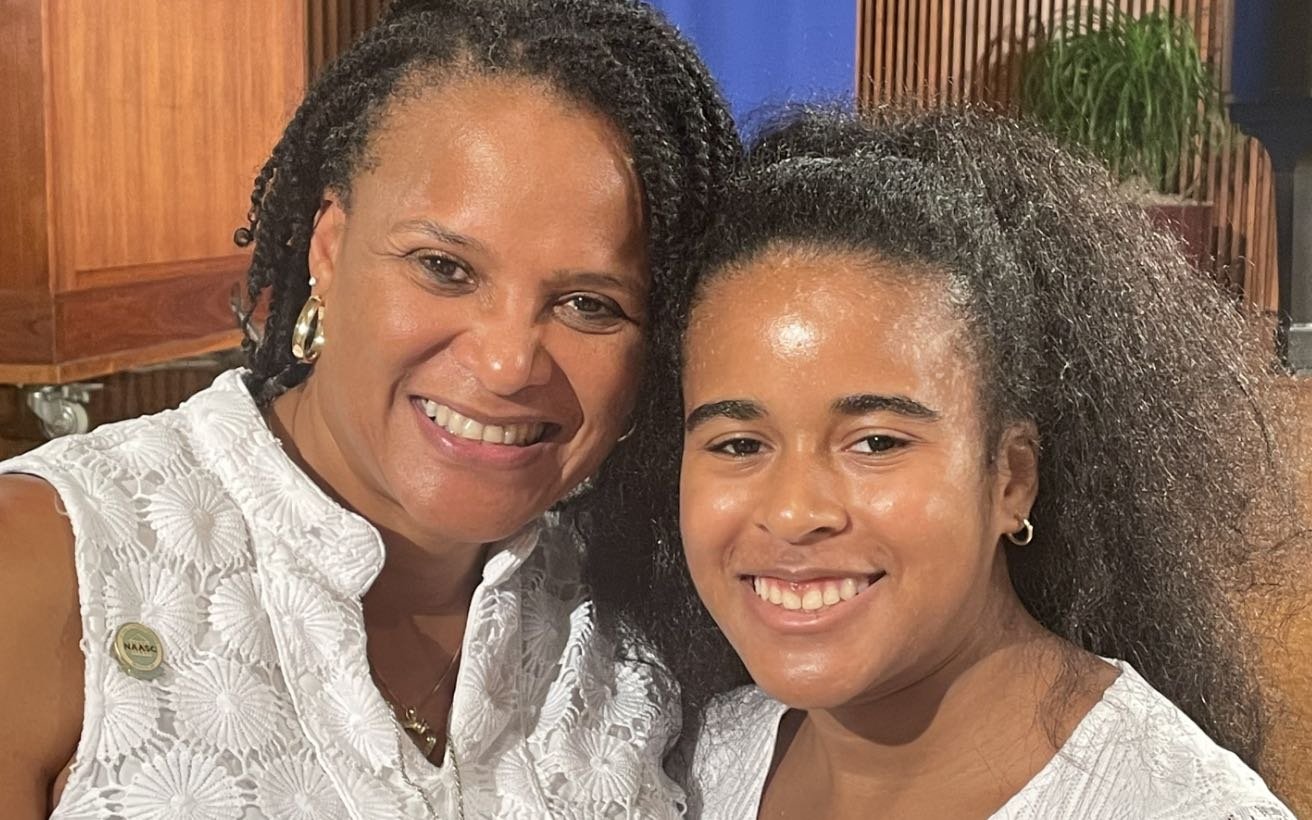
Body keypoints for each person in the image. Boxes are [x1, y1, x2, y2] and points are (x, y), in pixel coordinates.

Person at [0, 1, 738, 817]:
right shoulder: (45, 564)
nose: (507, 363)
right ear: (328, 247)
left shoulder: (649, 621)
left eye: (590, 304)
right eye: (444, 267)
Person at [579, 108, 1299, 818]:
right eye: (739, 445)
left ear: (1010, 479)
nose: (794, 512)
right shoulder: (692, 764)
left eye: (876, 442)